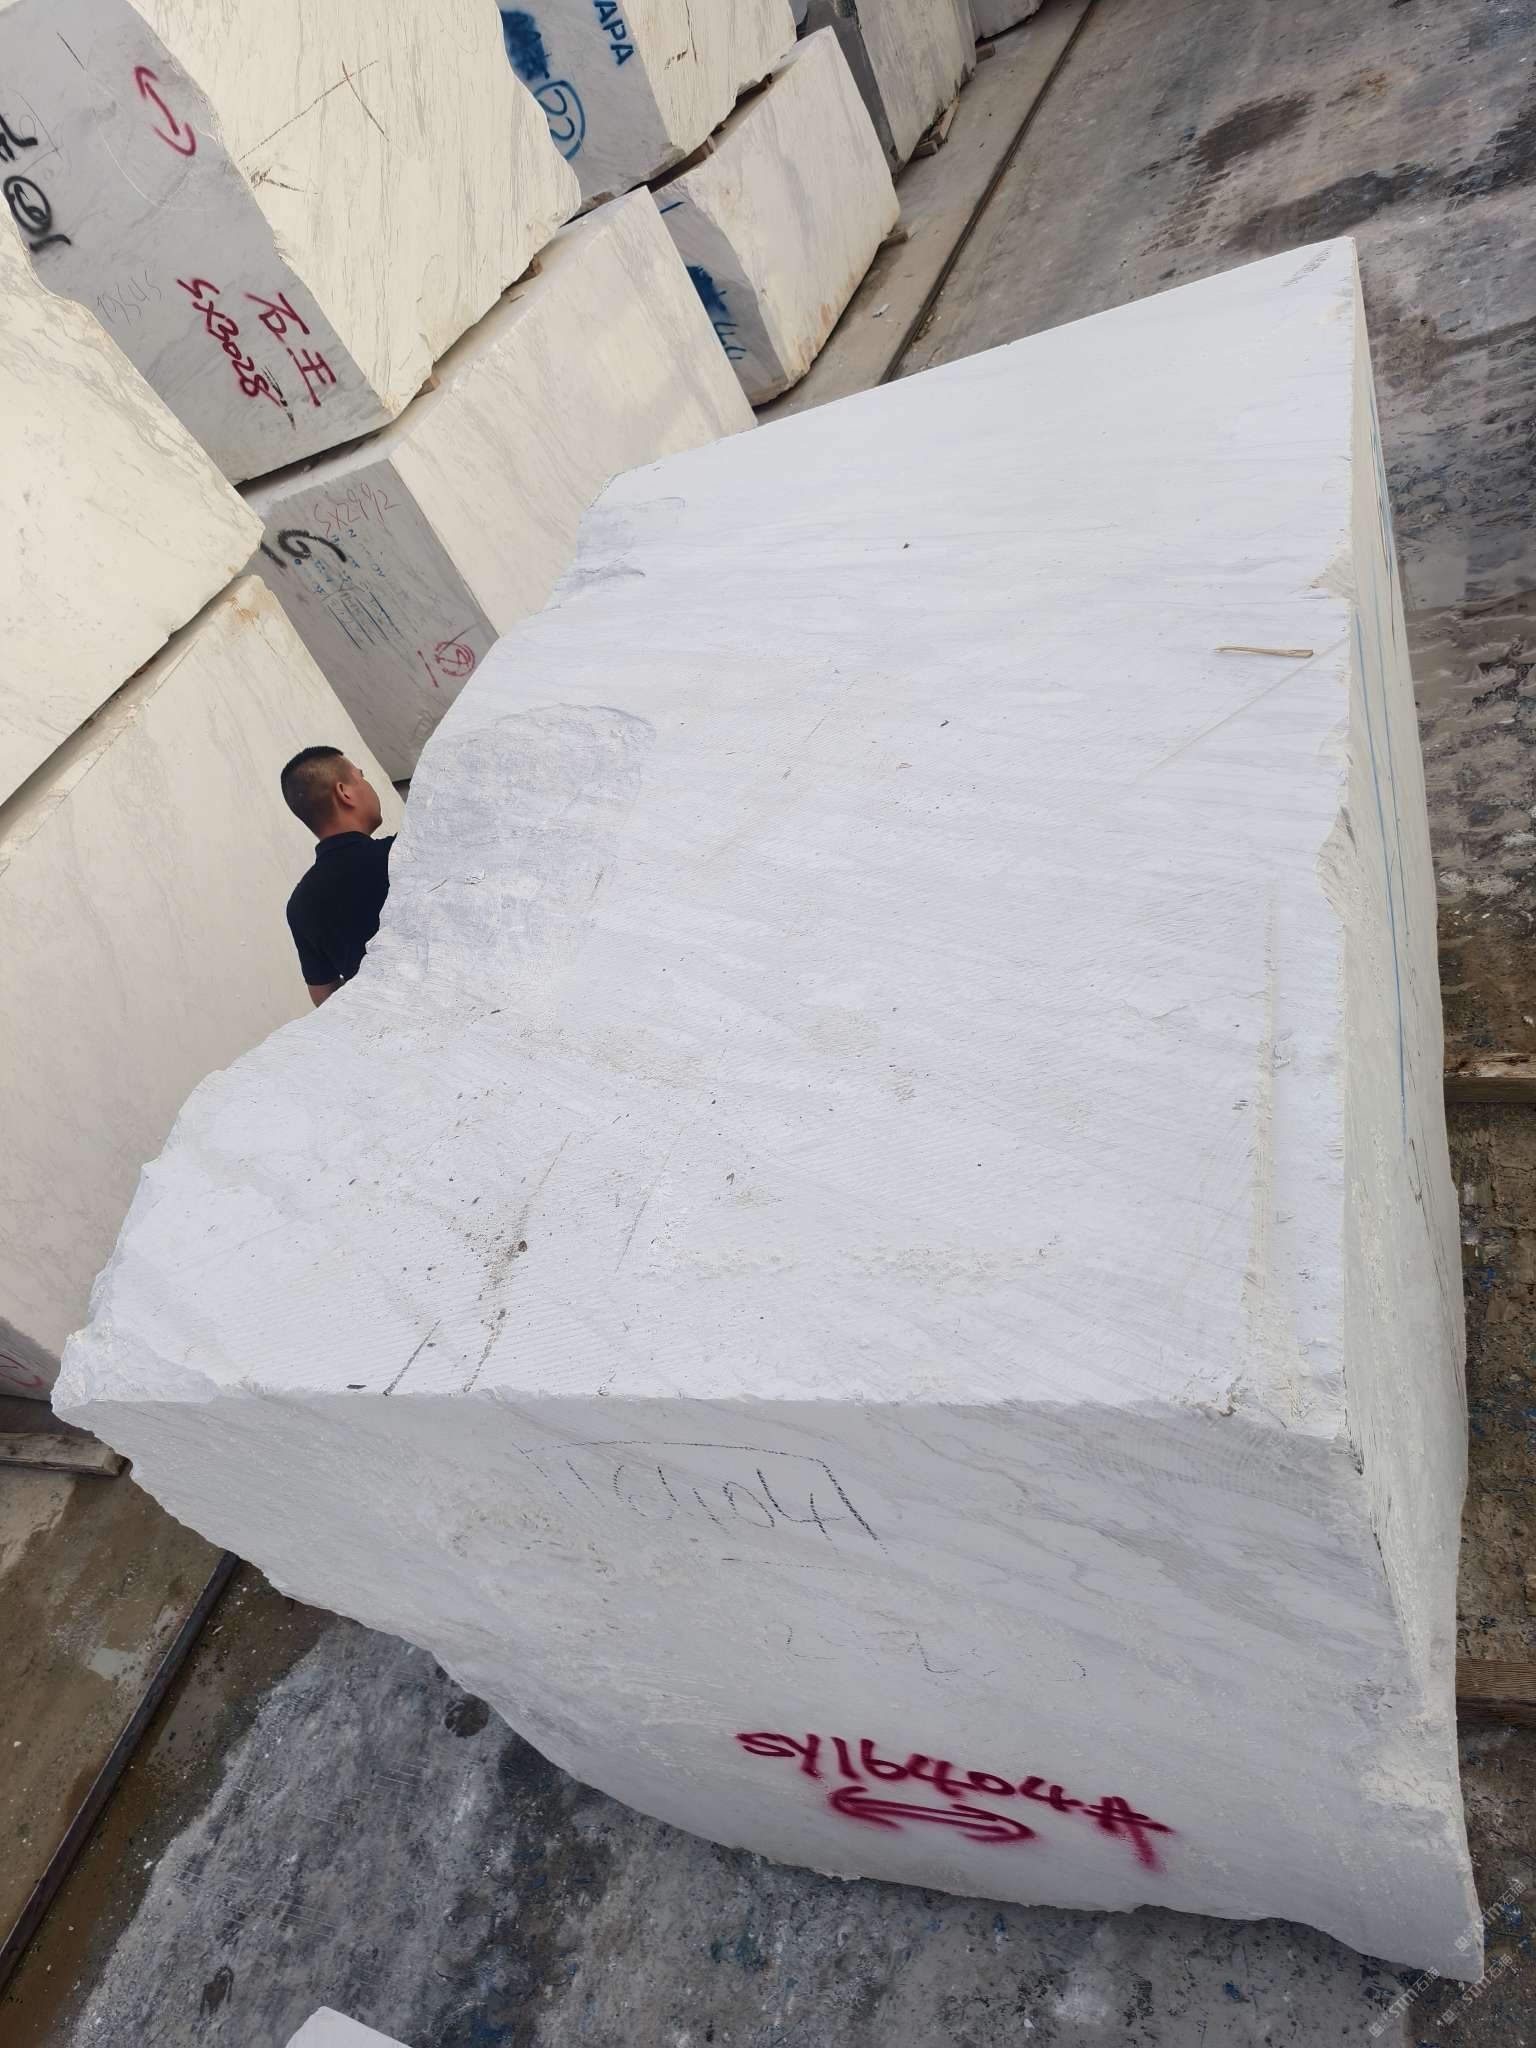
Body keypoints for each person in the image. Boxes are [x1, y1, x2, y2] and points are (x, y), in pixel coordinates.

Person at [280, 746, 394, 1006]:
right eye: (361, 777)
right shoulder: (404, 856)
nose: (368, 786)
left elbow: (325, 1000)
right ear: (344, 793)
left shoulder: (300, 905)